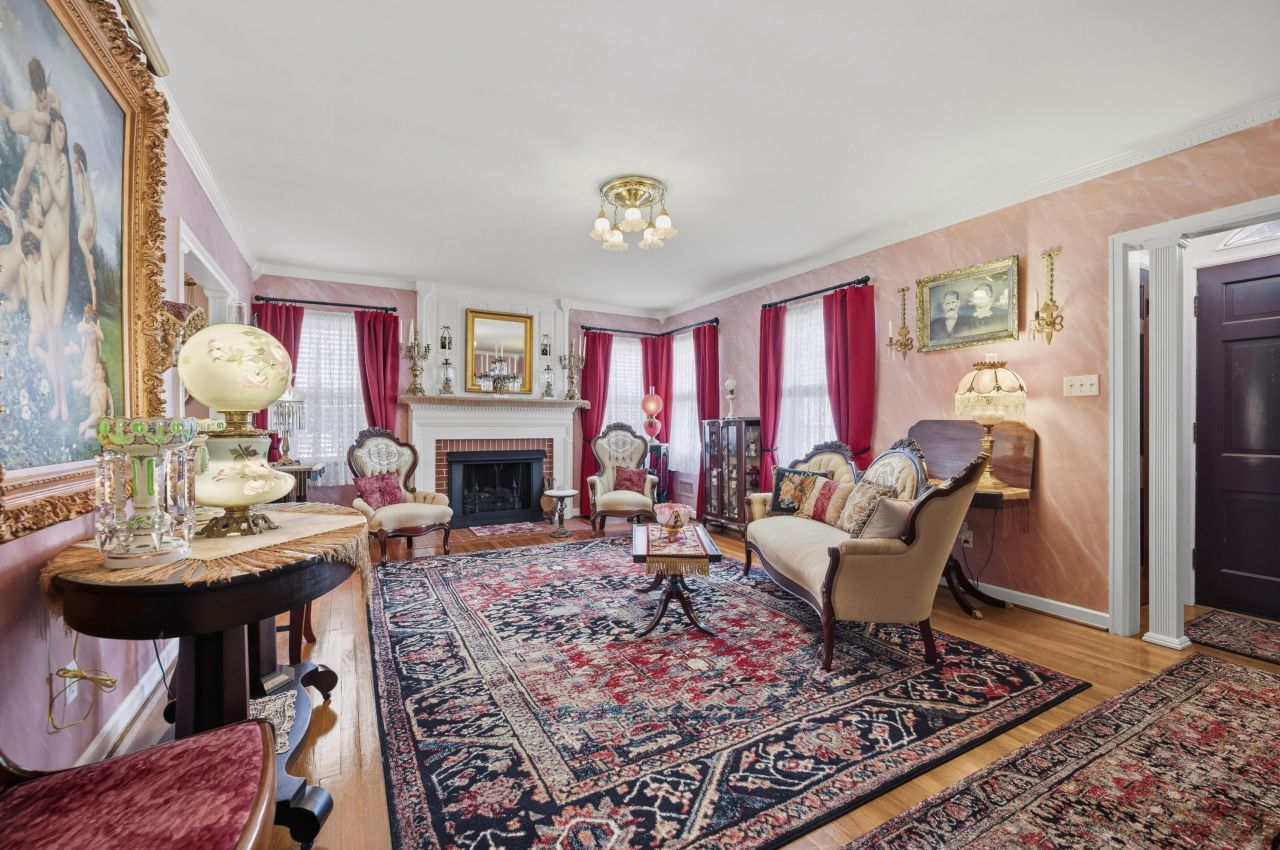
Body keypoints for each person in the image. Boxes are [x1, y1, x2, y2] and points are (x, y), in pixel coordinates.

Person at [35, 109, 73, 421]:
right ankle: (57, 398)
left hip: (62, 248)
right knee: (50, 322)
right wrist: (46, 174)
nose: (60, 136)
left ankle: (63, 400)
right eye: (57, 130)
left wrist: (51, 170)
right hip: (47, 242)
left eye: (63, 131)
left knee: (58, 322)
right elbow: (46, 202)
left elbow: (62, 201)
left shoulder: (63, 163)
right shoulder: (48, 160)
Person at [0, 58, 61, 208]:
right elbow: (34, 114)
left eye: (45, 98)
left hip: (37, 139)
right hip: (30, 123)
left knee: (28, 166)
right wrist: (44, 117)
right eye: (40, 99)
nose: (44, 102)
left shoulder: (51, 94)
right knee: (12, 120)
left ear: (46, 88)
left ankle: (17, 194)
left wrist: (54, 111)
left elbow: (58, 109)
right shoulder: (34, 97)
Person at [72, 143, 98, 308]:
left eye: (75, 161)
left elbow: (81, 199)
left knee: (80, 238)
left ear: (80, 163)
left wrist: (77, 178)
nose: (73, 165)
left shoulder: (81, 177)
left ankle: (89, 257)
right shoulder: (87, 180)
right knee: (88, 262)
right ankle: (94, 296)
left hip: (88, 218)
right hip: (94, 223)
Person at [18, 231, 49, 366]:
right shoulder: (40, 268)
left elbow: (24, 294)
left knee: (32, 351)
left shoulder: (23, 269)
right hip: (45, 315)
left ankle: (50, 360)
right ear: (35, 252)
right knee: (45, 349)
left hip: (36, 320)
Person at [77, 358, 112, 439]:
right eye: (95, 369)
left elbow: (110, 401)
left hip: (101, 414)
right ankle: (84, 424)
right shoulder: (95, 384)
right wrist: (84, 392)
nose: (96, 371)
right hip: (95, 409)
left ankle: (90, 432)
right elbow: (88, 393)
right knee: (98, 412)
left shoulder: (106, 387)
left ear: (103, 373)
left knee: (105, 428)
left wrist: (112, 414)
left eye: (98, 369)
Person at [72, 303, 103, 394]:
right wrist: (89, 327)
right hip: (88, 357)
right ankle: (83, 386)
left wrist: (94, 326)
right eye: (85, 312)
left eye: (88, 312)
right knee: (89, 375)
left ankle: (85, 387)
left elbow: (101, 338)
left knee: (92, 376)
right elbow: (80, 329)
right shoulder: (83, 325)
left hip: (94, 356)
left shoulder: (95, 324)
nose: (86, 314)